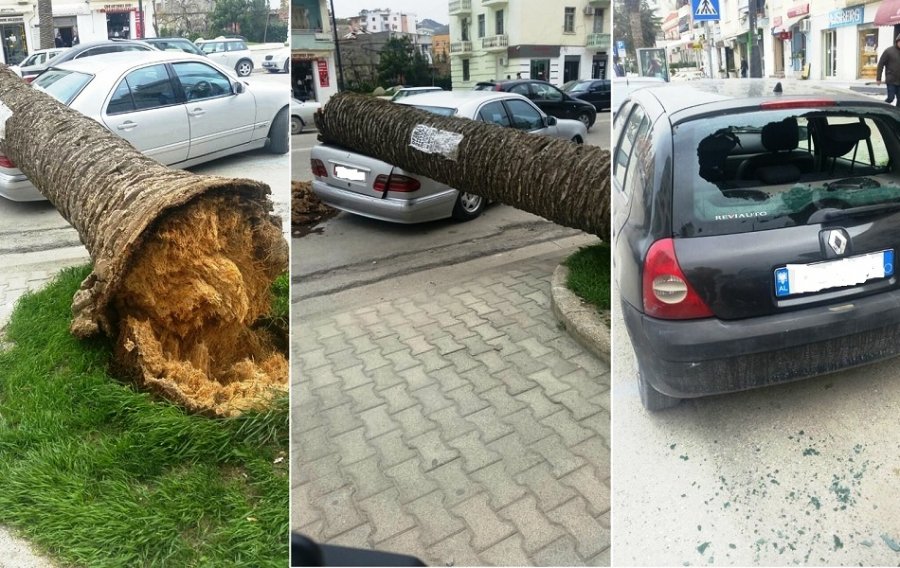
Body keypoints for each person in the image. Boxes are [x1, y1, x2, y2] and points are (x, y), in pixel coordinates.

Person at [877, 33, 900, 106]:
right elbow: (880, 65)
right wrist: (878, 78)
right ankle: (881, 108)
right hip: (891, 80)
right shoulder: (889, 51)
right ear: (897, 41)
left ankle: (897, 114)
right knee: (891, 98)